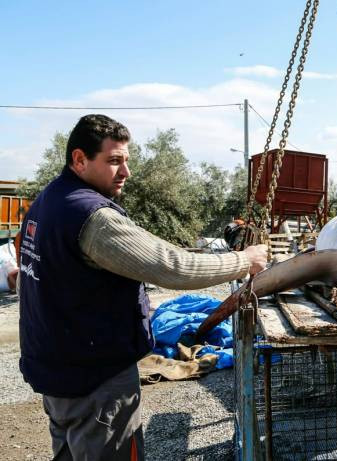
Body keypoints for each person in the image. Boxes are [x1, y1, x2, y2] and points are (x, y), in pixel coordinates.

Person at [17, 114, 268, 460]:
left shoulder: (46, 204)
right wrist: (244, 260)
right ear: (79, 159)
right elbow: (172, 266)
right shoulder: (91, 217)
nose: (126, 172)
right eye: (114, 161)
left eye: (127, 161)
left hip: (58, 376)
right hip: (96, 384)